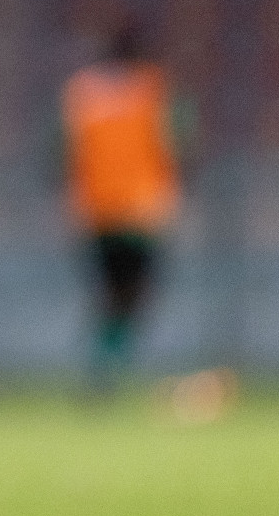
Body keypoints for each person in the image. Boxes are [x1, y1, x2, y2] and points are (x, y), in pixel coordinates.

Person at [59, 25, 190, 392]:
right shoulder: (155, 88)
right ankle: (107, 364)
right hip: (142, 211)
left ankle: (102, 365)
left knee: (107, 293)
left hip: (95, 212)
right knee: (132, 293)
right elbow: (180, 140)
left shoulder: (81, 91)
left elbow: (60, 150)